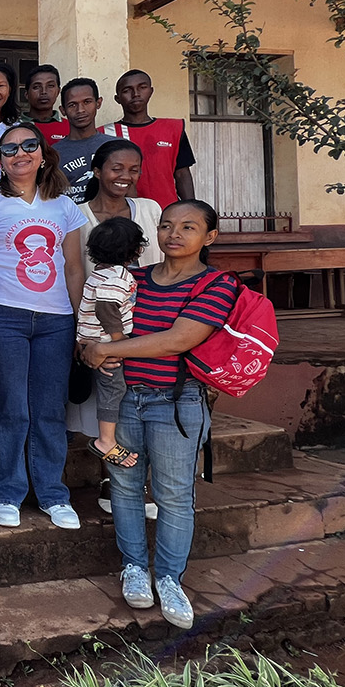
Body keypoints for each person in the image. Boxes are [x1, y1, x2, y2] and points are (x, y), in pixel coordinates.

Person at [82, 200, 240, 631]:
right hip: (123, 402)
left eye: (188, 227)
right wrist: (89, 350)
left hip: (176, 403)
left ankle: (169, 577)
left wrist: (106, 349)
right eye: (167, 225)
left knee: (173, 495)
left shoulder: (216, 284)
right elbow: (92, 326)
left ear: (209, 237)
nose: (174, 234)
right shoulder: (130, 278)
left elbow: (177, 339)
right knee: (124, 486)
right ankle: (134, 567)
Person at [0, 123, 87, 532]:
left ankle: (52, 493)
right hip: (1, 315)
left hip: (56, 320)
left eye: (29, 145)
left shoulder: (64, 207)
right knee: (10, 407)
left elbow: (73, 268)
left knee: (50, 408)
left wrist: (79, 323)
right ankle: (6, 490)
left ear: (43, 153)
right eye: (9, 149)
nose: (20, 153)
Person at [73, 139, 165, 517]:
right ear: (97, 171)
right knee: (109, 403)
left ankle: (140, 481)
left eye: (133, 169)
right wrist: (85, 338)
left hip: (149, 325)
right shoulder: (77, 216)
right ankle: (112, 482)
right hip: (106, 334)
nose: (125, 176)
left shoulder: (150, 210)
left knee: (143, 403)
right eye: (116, 168)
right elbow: (73, 274)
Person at [77, 217, 145, 467]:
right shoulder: (118, 276)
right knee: (113, 388)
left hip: (92, 341)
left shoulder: (99, 273)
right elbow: (106, 308)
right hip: (105, 343)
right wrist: (119, 341)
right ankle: (105, 440)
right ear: (136, 251)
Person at [103, 69, 196, 207]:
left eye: (142, 87)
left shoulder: (173, 129)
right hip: (126, 212)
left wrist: (191, 208)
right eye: (127, 90)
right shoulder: (106, 133)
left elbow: (182, 174)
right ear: (117, 98)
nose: (135, 94)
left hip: (168, 210)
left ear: (151, 91)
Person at [52, 78, 115, 203]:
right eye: (72, 105)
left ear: (98, 103)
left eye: (87, 102)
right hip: (70, 215)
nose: (80, 110)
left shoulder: (115, 147)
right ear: (63, 110)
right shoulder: (52, 154)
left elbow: (130, 194)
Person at [23, 64, 68, 140]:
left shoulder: (71, 128)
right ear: (27, 94)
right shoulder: (12, 127)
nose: (44, 92)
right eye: (37, 87)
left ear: (58, 91)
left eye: (50, 86)